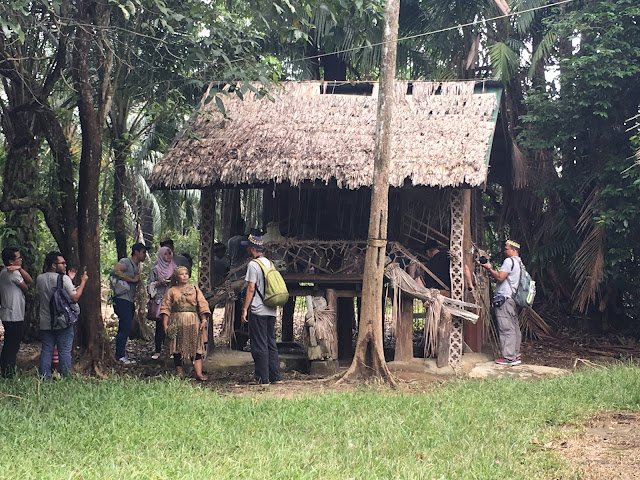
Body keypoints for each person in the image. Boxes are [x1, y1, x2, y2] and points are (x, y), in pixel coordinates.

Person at [36, 251, 88, 379]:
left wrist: (69, 280)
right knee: (64, 350)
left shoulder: (40, 278)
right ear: (54, 265)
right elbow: (75, 297)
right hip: (62, 321)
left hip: (45, 321)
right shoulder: (63, 279)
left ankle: (44, 377)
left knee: (47, 349)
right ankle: (65, 377)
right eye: (62, 263)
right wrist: (83, 282)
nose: (65, 265)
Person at [241, 234, 282, 385]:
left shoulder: (253, 265)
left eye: (248, 247)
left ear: (253, 249)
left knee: (259, 344)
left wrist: (245, 309)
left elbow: (251, 288)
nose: (247, 249)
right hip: (271, 308)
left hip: (258, 309)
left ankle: (262, 378)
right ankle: (275, 376)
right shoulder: (269, 263)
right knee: (271, 342)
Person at [160, 266, 211, 381]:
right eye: (181, 274)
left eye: (186, 274)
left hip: (193, 321)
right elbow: (166, 307)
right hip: (177, 320)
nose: (184, 276)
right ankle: (180, 373)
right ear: (176, 277)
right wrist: (165, 324)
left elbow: (202, 304)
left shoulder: (195, 289)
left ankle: (199, 373)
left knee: (196, 346)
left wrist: (203, 320)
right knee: (177, 347)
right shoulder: (172, 291)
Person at [481, 240, 522, 366]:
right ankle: (515, 354)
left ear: (513, 250)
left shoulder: (509, 261)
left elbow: (500, 277)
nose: (504, 251)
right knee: (514, 328)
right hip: (511, 299)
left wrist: (489, 268)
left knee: (506, 328)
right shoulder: (519, 263)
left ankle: (509, 358)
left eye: (506, 249)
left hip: (504, 299)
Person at [0, 247, 33, 377]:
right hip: (13, 314)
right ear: (11, 261)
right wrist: (19, 270)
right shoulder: (11, 273)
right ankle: (8, 372)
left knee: (9, 342)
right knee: (13, 344)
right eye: (18, 258)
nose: (21, 260)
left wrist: (19, 268)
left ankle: (5, 368)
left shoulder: (5, 272)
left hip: (9, 313)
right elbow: (27, 285)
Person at [112, 242, 147, 364]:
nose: (145, 255)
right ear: (136, 252)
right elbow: (116, 271)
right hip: (122, 300)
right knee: (124, 327)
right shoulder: (126, 262)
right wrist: (132, 280)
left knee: (126, 327)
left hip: (129, 300)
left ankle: (121, 354)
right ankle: (119, 355)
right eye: (143, 252)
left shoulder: (135, 266)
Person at [147, 246, 176, 360]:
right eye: (166, 254)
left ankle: (171, 350)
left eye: (170, 253)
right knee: (160, 327)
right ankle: (158, 350)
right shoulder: (155, 269)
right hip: (159, 300)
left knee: (172, 326)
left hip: (172, 301)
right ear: (161, 255)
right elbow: (149, 284)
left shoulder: (175, 268)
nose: (168, 256)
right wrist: (159, 283)